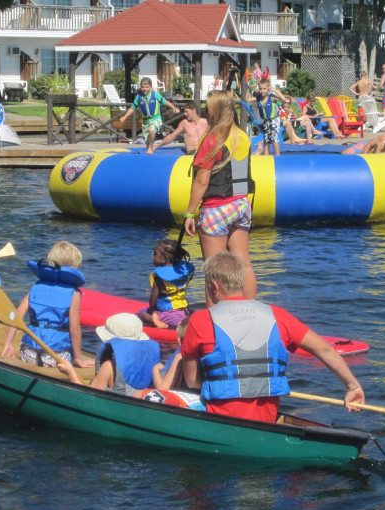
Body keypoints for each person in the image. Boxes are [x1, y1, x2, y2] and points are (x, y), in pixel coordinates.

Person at [181, 252, 365, 422]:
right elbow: (325, 349)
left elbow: (192, 381)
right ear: (241, 281)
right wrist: (353, 387)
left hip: (220, 416)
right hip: (266, 418)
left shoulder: (200, 319)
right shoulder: (277, 315)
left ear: (214, 286)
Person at [183, 90, 257, 307]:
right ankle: (250, 310)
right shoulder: (242, 136)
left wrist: (189, 213)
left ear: (214, 110)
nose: (205, 110)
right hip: (241, 205)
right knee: (243, 264)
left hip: (217, 207)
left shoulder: (212, 139)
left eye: (207, 107)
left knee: (213, 269)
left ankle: (215, 320)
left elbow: (201, 182)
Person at [2, 241, 94, 368]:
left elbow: (17, 316)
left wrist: (8, 342)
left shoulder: (37, 286)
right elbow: (74, 329)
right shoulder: (74, 293)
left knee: (29, 356)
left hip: (29, 349)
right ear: (74, 267)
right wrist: (78, 359)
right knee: (69, 359)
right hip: (56, 353)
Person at [59, 313, 160, 395]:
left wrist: (70, 372)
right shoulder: (156, 364)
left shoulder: (109, 366)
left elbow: (88, 397)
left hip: (118, 408)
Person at [137, 238, 195, 329]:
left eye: (155, 254)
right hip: (184, 310)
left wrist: (155, 312)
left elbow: (152, 302)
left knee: (142, 312)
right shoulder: (182, 273)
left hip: (169, 314)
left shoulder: (159, 278)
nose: (153, 257)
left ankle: (155, 320)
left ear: (164, 258)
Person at [119, 77, 179, 154]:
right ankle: (149, 152)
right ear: (140, 87)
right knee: (147, 140)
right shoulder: (138, 98)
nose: (145, 89)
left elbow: (165, 102)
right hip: (146, 121)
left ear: (150, 87)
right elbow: (132, 108)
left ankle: (151, 148)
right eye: (143, 87)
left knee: (151, 130)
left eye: (147, 87)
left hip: (156, 118)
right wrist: (125, 116)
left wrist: (173, 107)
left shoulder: (155, 95)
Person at [254, 78, 288, 156]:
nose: (262, 91)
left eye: (264, 89)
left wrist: (275, 90)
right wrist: (249, 89)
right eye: (261, 89)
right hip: (266, 121)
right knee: (266, 140)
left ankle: (278, 155)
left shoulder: (271, 97)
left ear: (268, 89)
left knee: (273, 139)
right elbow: (246, 99)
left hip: (274, 120)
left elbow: (283, 99)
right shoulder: (259, 99)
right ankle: (266, 156)